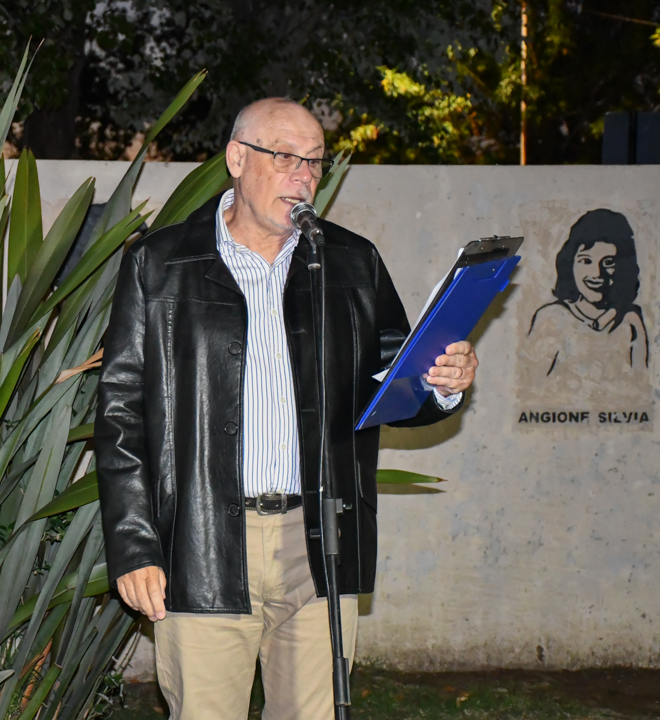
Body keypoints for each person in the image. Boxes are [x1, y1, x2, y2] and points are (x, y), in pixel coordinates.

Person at [95, 98, 478, 720]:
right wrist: (136, 544)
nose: (303, 175)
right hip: (204, 543)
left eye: (315, 162)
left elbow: (396, 381)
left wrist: (443, 384)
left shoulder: (350, 261)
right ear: (236, 159)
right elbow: (120, 416)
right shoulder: (160, 263)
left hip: (319, 540)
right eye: (285, 157)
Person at [529, 209, 648, 375]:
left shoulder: (630, 320)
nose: (597, 273)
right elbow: (532, 381)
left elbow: (640, 380)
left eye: (608, 262)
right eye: (586, 261)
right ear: (570, 263)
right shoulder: (551, 317)